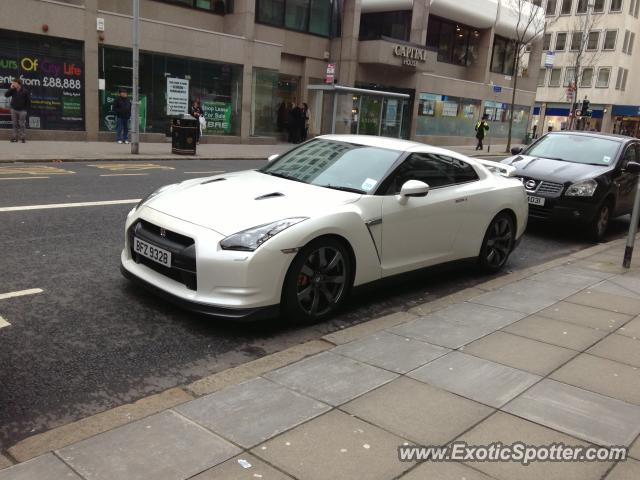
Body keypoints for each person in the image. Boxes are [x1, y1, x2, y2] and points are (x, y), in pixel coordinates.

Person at [4, 78, 30, 143]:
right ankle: (15, 137)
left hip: (22, 110)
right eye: (13, 83)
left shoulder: (25, 91)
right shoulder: (13, 90)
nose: (13, 84)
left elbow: (28, 101)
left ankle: (23, 138)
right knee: (14, 124)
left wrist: (26, 110)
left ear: (18, 84)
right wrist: (11, 88)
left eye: (14, 83)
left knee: (22, 124)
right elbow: (6, 95)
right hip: (14, 110)